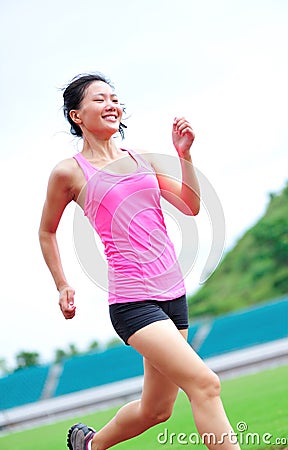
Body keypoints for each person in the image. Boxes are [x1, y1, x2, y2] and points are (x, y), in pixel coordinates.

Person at [39, 72, 240, 450]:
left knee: (157, 410)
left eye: (114, 98)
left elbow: (190, 206)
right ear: (76, 116)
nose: (111, 104)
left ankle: (92, 446)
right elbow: (46, 231)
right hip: (133, 302)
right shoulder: (69, 172)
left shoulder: (142, 159)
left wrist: (184, 155)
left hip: (173, 294)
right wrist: (62, 284)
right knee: (205, 384)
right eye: (99, 99)